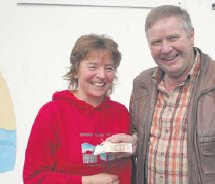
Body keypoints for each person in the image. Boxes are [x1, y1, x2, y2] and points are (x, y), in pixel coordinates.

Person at [109, 4, 215, 184]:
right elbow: (140, 134)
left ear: (191, 36)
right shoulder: (142, 84)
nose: (166, 48)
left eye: (173, 38)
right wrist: (133, 143)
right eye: (156, 42)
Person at [23, 34, 134, 184]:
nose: (101, 75)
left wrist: (134, 145)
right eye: (92, 67)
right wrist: (87, 181)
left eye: (109, 68)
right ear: (76, 70)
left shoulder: (120, 113)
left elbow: (127, 171)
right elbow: (34, 177)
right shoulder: (52, 113)